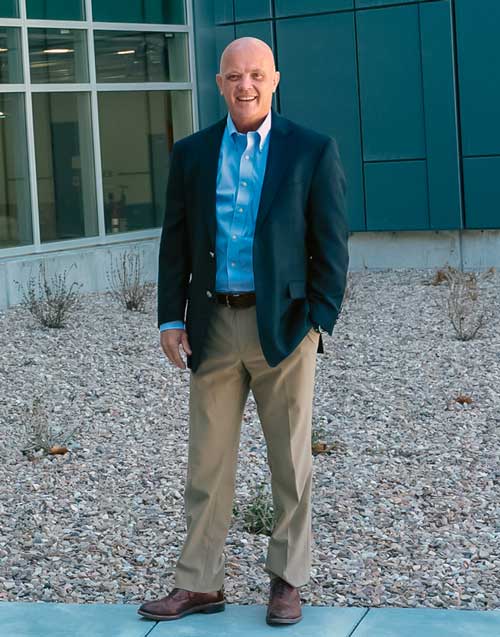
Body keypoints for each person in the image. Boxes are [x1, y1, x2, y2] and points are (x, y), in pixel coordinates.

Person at [138, 36, 349, 626]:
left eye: (256, 74)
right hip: (211, 326)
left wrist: (317, 323)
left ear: (275, 80)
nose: (245, 85)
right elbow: (175, 241)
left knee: (290, 462)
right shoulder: (193, 153)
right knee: (206, 463)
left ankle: (287, 581)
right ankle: (200, 583)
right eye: (234, 76)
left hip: (282, 328)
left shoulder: (310, 150)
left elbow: (331, 246)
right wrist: (170, 316)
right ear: (219, 82)